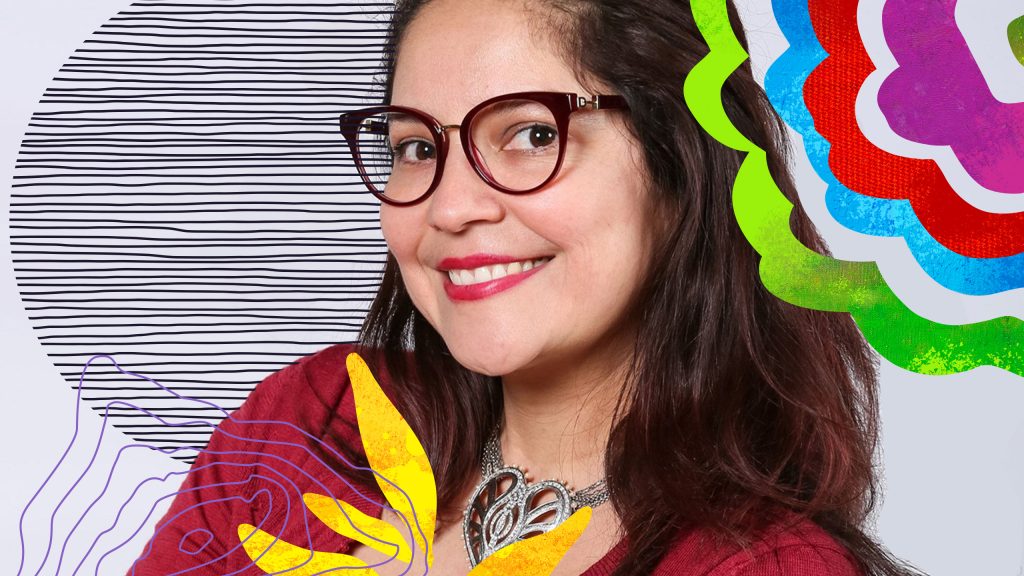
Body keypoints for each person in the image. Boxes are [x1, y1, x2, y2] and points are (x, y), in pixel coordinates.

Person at [132, 0, 925, 574]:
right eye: (415, 147)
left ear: (680, 163)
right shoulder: (316, 428)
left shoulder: (761, 567)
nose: (450, 206)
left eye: (531, 134)